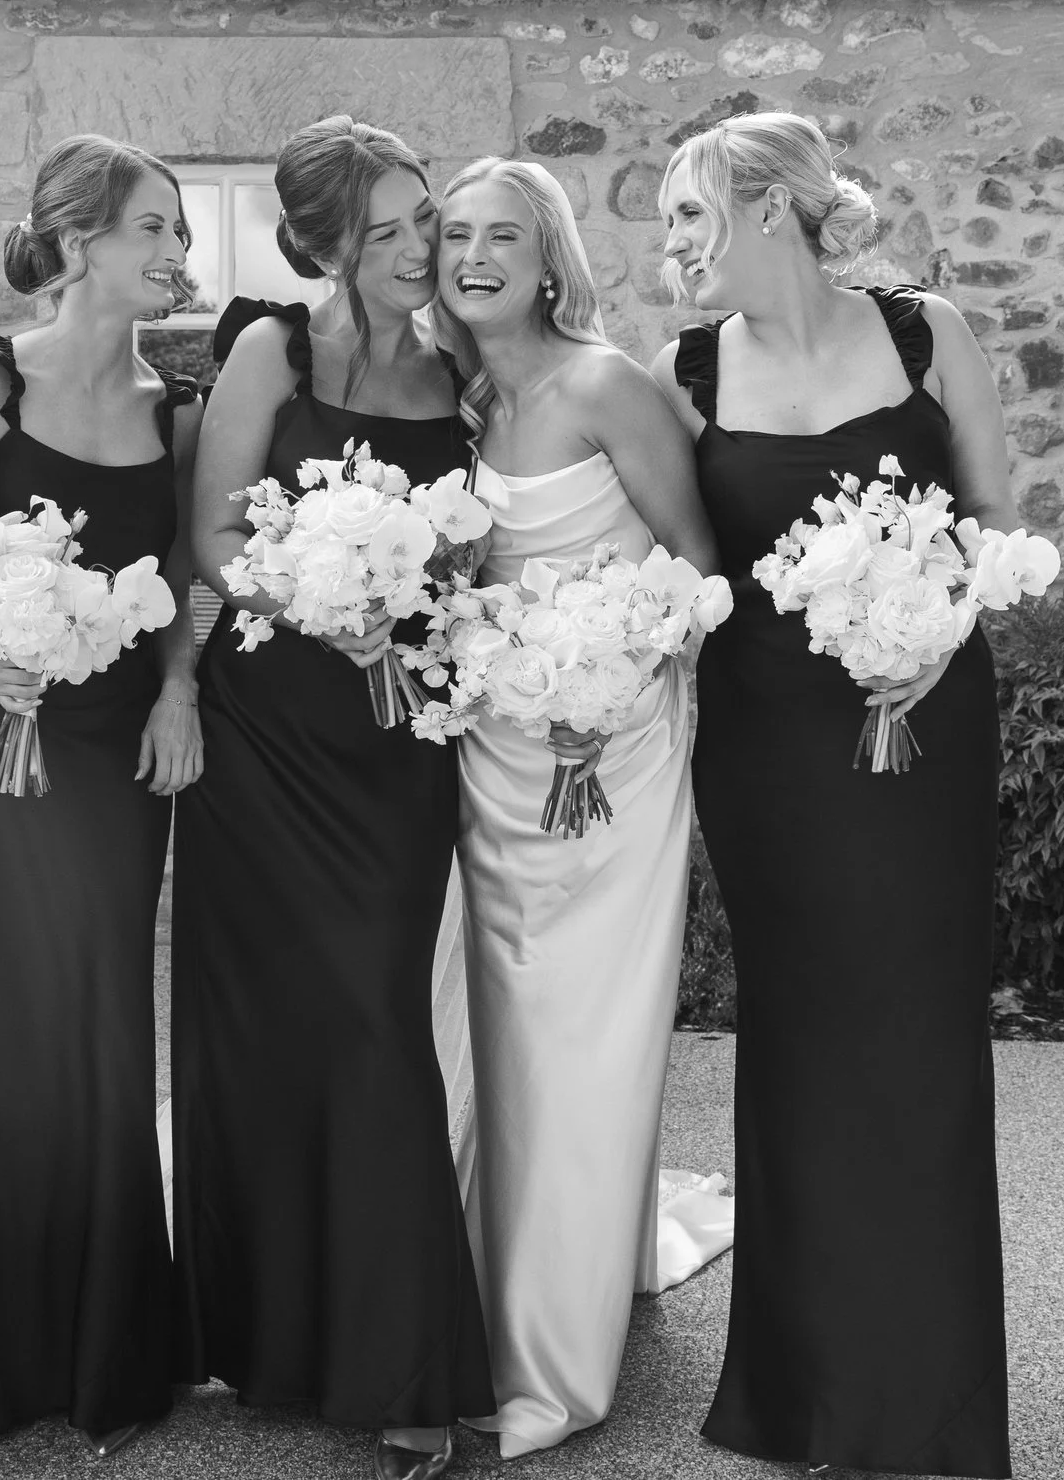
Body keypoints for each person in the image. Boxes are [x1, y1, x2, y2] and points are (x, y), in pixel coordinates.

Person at [651, 110, 1016, 1478]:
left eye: (687, 214)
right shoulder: (683, 371)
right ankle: (798, 1392)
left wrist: (930, 636)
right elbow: (667, 567)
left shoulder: (929, 333)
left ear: (761, 208)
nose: (673, 245)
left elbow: (998, 532)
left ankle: (925, 1402)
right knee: (800, 1035)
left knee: (918, 1036)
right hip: (770, 748)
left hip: (925, 723)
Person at [0, 134, 203, 1458]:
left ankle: (103, 1348)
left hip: (118, 758)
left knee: (100, 1022)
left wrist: (177, 690)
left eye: (177, 231)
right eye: (154, 230)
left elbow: (187, 570)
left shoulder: (176, 405)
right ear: (76, 247)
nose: (177, 253)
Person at [172, 116, 492, 1480]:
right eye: (392, 228)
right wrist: (320, 590)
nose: (423, 248)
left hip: (395, 738)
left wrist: (411, 610)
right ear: (329, 244)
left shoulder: (461, 367)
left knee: (372, 1014)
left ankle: (410, 1362)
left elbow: (485, 540)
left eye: (427, 217)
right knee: (262, 1023)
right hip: (269, 733)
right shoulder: (271, 351)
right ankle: (266, 1333)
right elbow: (213, 530)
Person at [435, 157, 722, 1459]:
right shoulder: (460, 397)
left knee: (580, 1027)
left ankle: (553, 1352)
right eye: (454, 234)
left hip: (609, 754)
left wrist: (606, 678)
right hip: (488, 749)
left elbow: (696, 568)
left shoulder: (606, 383)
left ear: (549, 257)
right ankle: (485, 1289)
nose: (474, 254)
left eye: (503, 234)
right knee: (488, 1019)